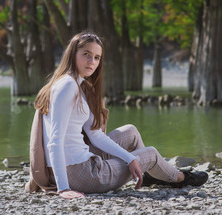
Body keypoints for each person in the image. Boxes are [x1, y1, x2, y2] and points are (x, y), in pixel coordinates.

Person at [32, 31, 208, 199]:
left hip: (78, 165)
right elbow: (55, 141)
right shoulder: (68, 86)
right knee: (152, 154)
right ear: (72, 54)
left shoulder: (75, 84)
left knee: (130, 131)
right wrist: (63, 189)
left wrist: (130, 159)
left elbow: (94, 134)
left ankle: (147, 174)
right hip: (81, 173)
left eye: (97, 57)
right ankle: (180, 179)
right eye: (86, 54)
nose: (92, 61)